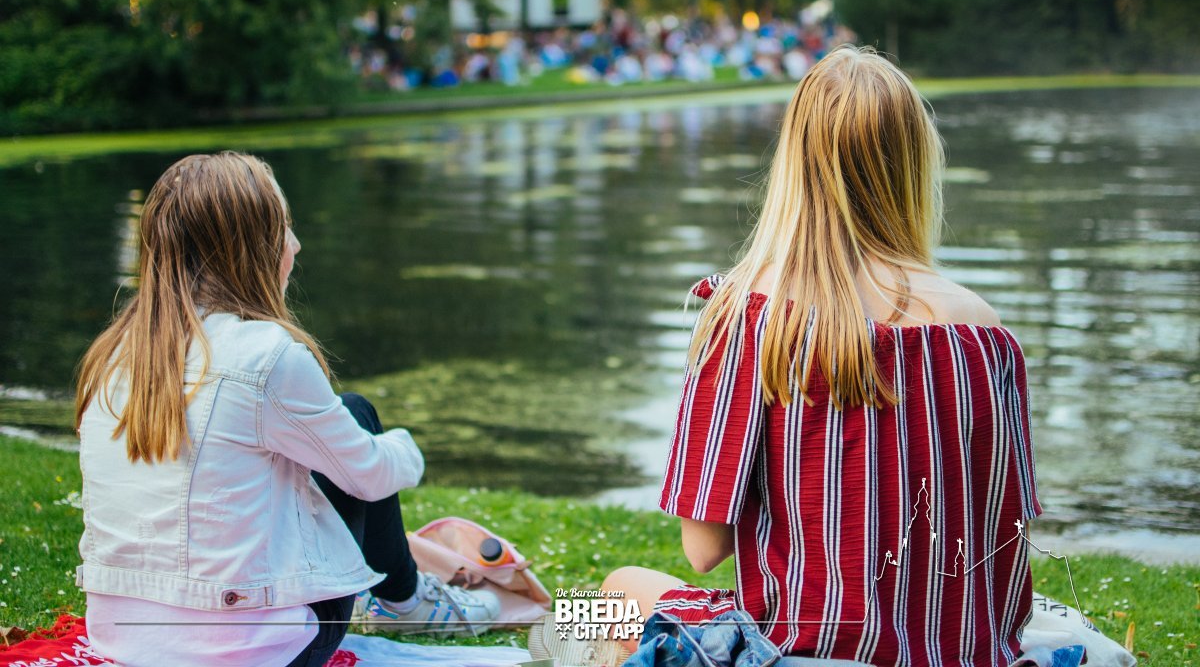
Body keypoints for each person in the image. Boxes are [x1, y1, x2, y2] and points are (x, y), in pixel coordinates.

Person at [539, 46, 1042, 666]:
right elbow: (1007, 534)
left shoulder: (752, 315)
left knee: (611, 592)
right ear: (916, 162)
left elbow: (703, 550)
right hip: (960, 652)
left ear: (795, 162)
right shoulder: (985, 331)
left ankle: (545, 631)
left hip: (797, 653)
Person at [74, 152, 499, 667]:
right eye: (283, 229)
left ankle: (401, 595)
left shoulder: (110, 355)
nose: (294, 245)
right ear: (249, 249)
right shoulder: (267, 356)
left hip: (122, 635)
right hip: (252, 649)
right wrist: (407, 448)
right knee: (356, 416)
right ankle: (408, 603)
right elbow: (370, 476)